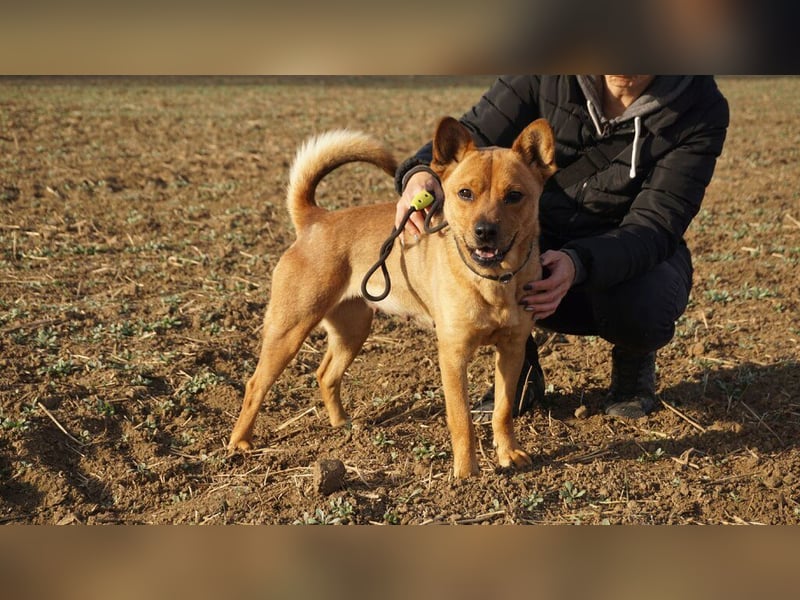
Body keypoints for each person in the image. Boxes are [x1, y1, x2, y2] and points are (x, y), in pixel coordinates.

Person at [393, 75, 729, 419]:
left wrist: (578, 262)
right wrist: (421, 173)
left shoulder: (699, 107)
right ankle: (520, 366)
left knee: (645, 305)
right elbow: (472, 130)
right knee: (501, 261)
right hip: (537, 233)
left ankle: (633, 363)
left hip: (621, 250)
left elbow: (656, 224)